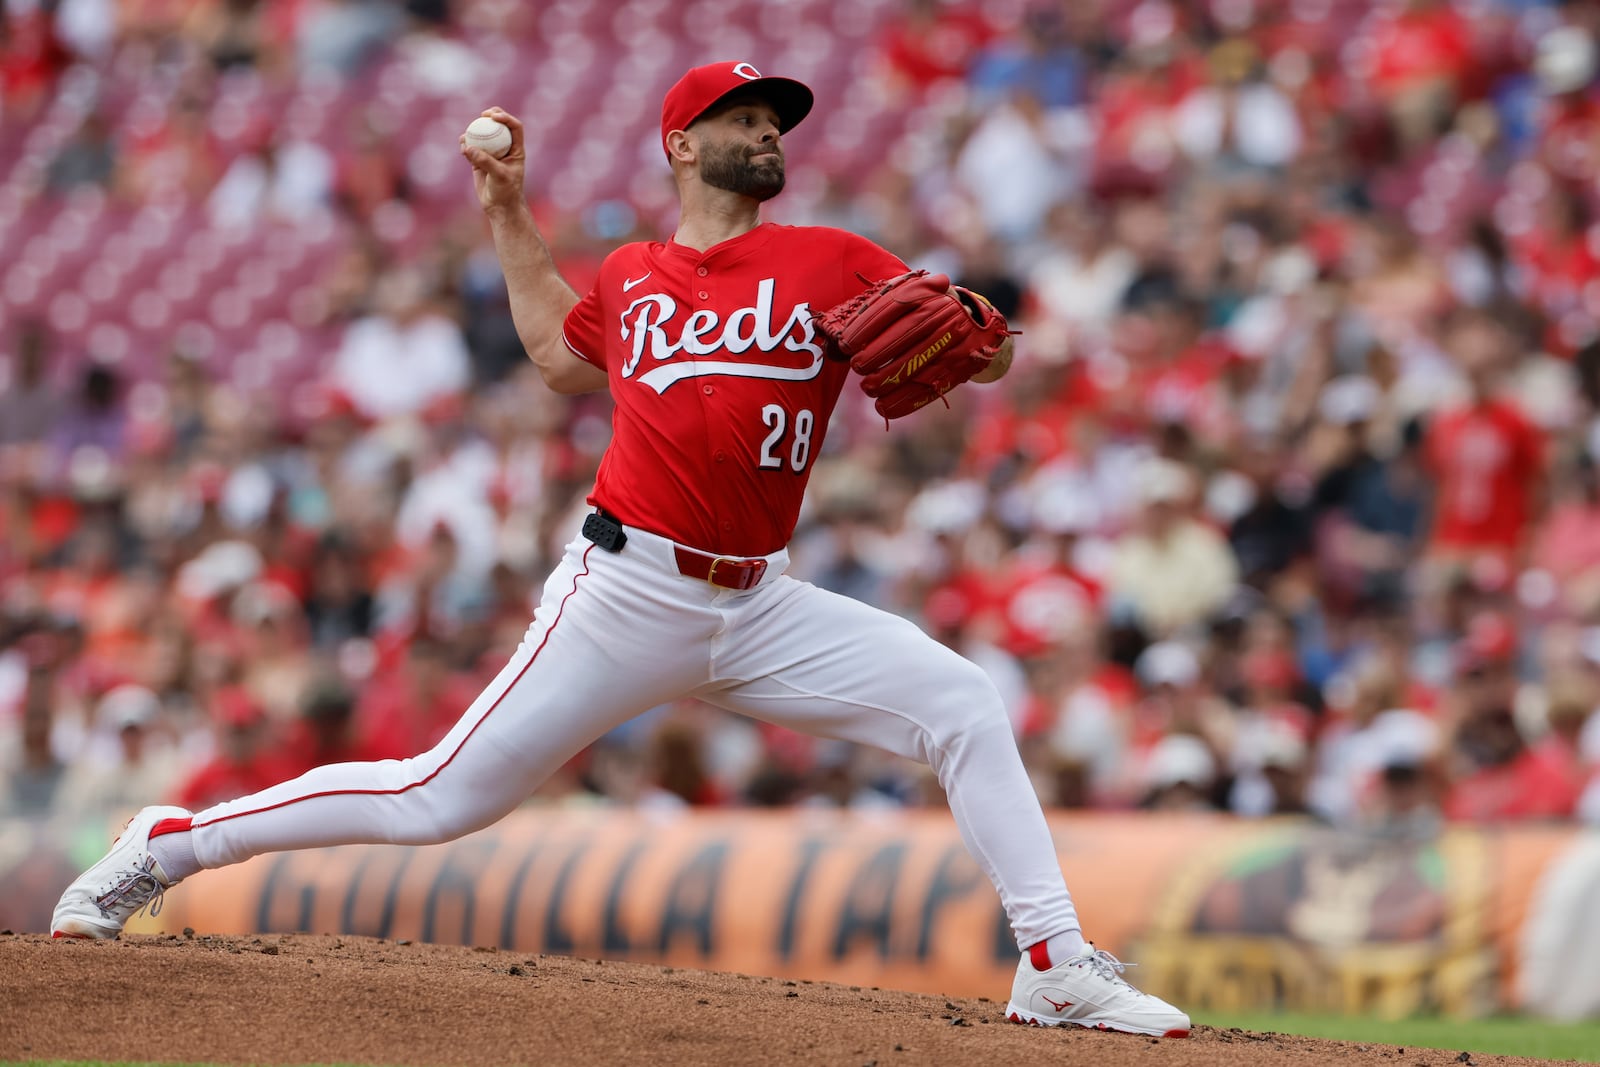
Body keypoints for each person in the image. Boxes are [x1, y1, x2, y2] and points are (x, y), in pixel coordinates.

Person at [50, 60, 1189, 1038]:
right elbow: (554, 354)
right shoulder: (634, 272)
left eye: (775, 121)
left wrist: (979, 336)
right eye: (743, 118)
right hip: (627, 588)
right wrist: (507, 206)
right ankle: (172, 842)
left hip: (764, 604)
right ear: (680, 144)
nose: (765, 133)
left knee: (962, 702)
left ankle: (1052, 966)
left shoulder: (832, 256)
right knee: (435, 797)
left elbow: (969, 354)